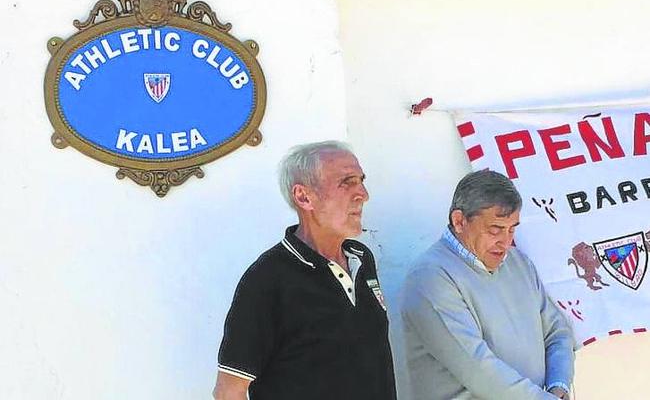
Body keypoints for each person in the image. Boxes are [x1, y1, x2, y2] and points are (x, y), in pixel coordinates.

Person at [213, 141, 397, 400]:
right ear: (303, 197)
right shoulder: (267, 279)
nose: (363, 194)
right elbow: (228, 392)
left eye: (361, 181)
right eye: (347, 182)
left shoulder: (361, 259)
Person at [401, 170, 574, 400]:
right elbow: (477, 369)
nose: (506, 242)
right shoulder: (430, 277)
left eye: (512, 229)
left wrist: (558, 387)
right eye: (495, 229)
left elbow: (558, 333)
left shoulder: (518, 263)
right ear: (459, 221)